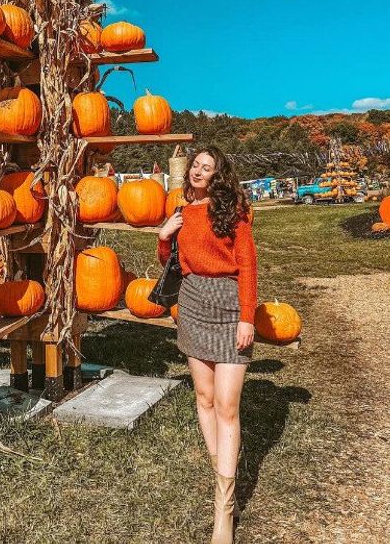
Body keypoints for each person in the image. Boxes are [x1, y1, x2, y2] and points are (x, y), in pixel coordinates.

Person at [157, 145, 257, 544]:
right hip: (195, 303)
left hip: (230, 305)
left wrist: (248, 315)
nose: (198, 172)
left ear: (219, 175)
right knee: (204, 397)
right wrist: (165, 237)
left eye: (207, 168)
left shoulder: (234, 209)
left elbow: (247, 262)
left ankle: (224, 513)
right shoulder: (183, 211)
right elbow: (174, 265)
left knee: (228, 405)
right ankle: (223, 478)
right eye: (195, 166)